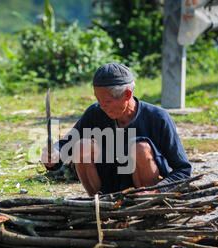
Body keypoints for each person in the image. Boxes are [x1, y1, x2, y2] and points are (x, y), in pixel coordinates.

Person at [42, 63, 191, 196]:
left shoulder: (158, 117)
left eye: (107, 101)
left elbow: (183, 170)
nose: (102, 106)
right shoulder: (96, 112)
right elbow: (66, 144)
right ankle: (101, 203)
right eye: (98, 100)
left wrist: (158, 190)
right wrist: (54, 154)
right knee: (82, 146)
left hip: (147, 193)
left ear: (127, 94)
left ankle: (146, 203)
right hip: (111, 190)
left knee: (139, 148)